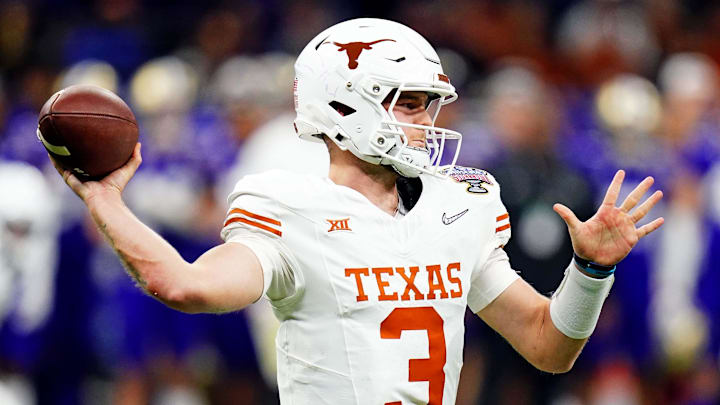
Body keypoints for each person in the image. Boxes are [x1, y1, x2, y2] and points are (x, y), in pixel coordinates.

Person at [49, 18, 664, 405]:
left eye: (431, 104)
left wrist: (589, 272)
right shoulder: (287, 207)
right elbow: (182, 284)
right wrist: (105, 199)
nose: (428, 122)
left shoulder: (461, 205)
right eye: (410, 103)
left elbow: (548, 347)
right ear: (343, 108)